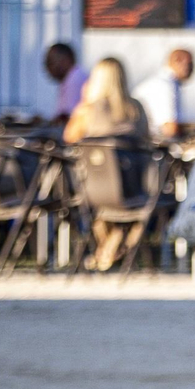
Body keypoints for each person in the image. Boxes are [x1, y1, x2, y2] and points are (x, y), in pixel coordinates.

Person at [64, 57, 155, 272]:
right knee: (126, 204)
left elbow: (69, 138)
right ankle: (116, 244)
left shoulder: (88, 110)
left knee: (95, 197)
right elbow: (148, 139)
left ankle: (107, 248)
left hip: (94, 190)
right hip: (137, 187)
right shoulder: (137, 108)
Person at [133, 49, 195, 140]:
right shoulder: (167, 85)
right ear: (177, 60)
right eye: (190, 64)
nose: (193, 69)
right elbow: (170, 128)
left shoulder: (161, 81)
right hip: (150, 143)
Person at [44, 43, 88, 125]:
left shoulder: (76, 79)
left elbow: (68, 118)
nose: (47, 68)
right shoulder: (69, 78)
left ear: (66, 60)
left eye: (50, 62)